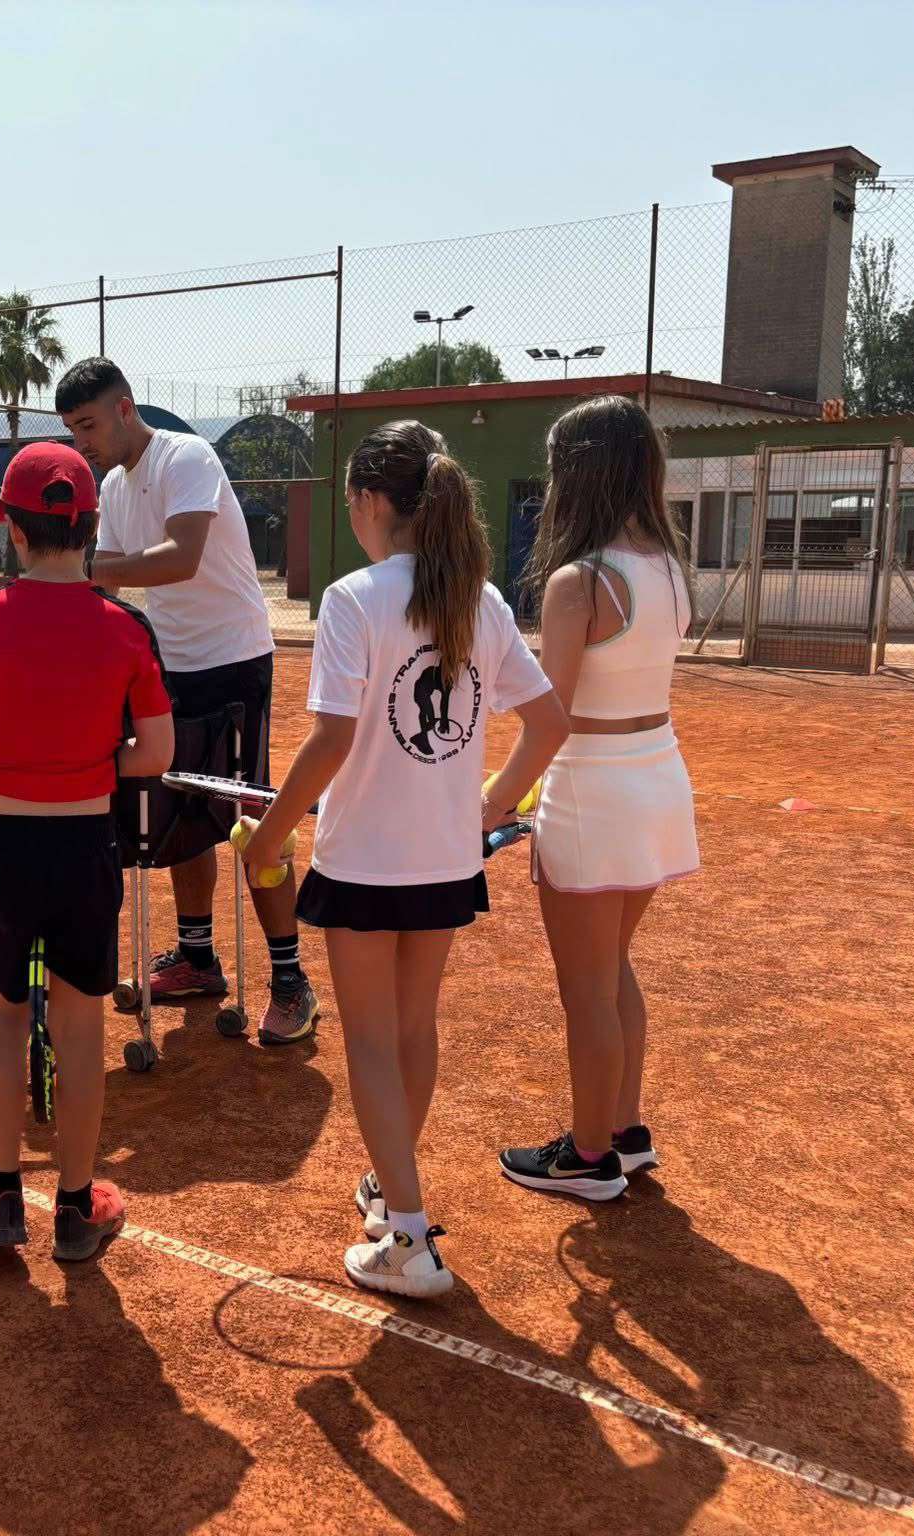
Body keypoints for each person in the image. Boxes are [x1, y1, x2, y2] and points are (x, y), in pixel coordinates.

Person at [241, 422, 568, 1297]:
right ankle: (392, 1191)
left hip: (364, 862)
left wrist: (270, 836)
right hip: (443, 860)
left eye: (352, 501)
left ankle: (410, 1239)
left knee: (374, 1044)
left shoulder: (354, 599)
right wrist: (488, 808)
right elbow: (549, 725)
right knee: (413, 1028)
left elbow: (334, 740)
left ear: (371, 502)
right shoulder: (481, 599)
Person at [0, 442, 175, 1262]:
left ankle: (3, 1198)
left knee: (2, 1018)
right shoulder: (124, 627)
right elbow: (155, 750)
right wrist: (88, 766)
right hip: (84, 842)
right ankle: (76, 1208)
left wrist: (16, 771)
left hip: (2, 840)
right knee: (79, 1027)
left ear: (10, 526)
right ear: (92, 524)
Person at [57, 358, 317, 1044]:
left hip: (235, 662)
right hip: (170, 667)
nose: (81, 442)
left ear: (123, 408)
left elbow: (182, 557)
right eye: (70, 430)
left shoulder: (187, 456)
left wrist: (82, 568)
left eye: (87, 425)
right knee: (178, 807)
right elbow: (105, 592)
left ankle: (290, 978)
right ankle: (199, 956)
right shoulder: (112, 486)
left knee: (251, 817)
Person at [498, 396, 699, 1202]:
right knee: (612, 967)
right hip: (656, 779)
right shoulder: (670, 572)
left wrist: (493, 799)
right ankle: (623, 1129)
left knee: (587, 986)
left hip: (592, 791)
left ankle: (587, 1157)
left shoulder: (578, 582)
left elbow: (550, 722)